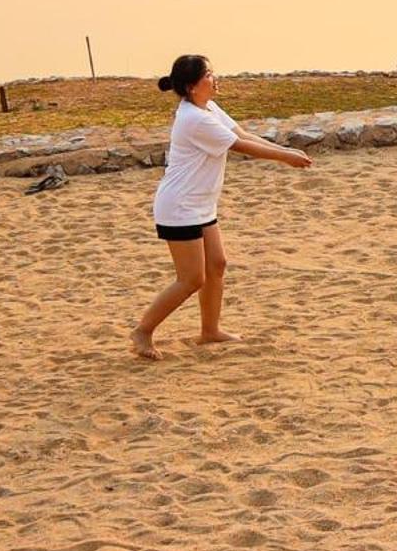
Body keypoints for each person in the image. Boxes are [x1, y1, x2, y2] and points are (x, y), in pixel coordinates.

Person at [130, 54, 311, 359]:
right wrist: (284, 158)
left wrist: (286, 149)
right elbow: (240, 147)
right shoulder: (194, 119)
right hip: (180, 206)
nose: (215, 79)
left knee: (217, 264)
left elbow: (242, 134)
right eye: (209, 75)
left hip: (200, 204)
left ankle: (209, 331)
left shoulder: (208, 107)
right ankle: (142, 331)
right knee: (191, 279)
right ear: (191, 86)